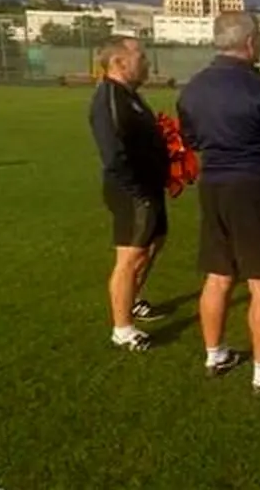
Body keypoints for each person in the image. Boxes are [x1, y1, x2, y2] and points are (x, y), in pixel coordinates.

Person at [177, 12, 260, 392]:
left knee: (219, 275)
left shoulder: (193, 87)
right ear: (250, 42)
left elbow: (190, 137)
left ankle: (215, 353)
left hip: (214, 185)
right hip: (255, 187)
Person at [89, 36, 170, 351]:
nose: (146, 62)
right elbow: (113, 154)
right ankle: (122, 329)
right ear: (119, 62)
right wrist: (136, 189)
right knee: (130, 256)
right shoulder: (109, 98)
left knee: (154, 243)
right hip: (132, 191)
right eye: (141, 57)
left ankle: (132, 300)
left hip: (149, 186)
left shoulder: (130, 96)